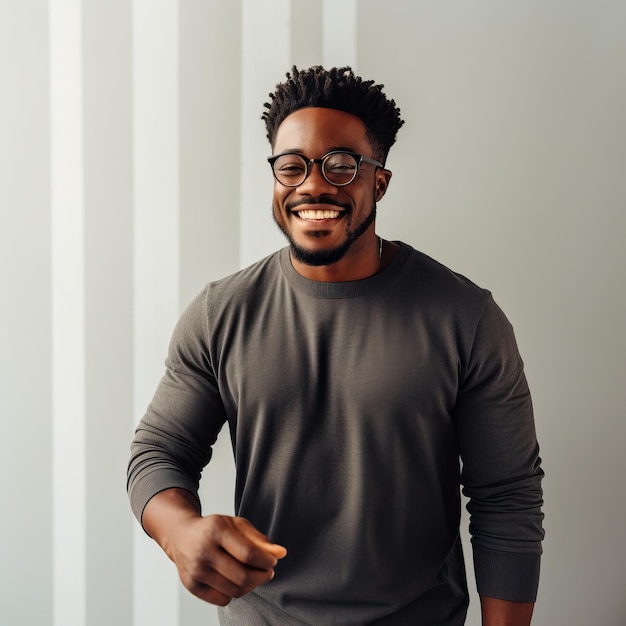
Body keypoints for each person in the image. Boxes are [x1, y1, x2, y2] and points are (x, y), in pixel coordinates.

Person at [127, 66, 544, 625]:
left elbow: (506, 498)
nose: (313, 185)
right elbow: (158, 452)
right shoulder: (219, 313)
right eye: (291, 167)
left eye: (341, 166)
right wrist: (181, 531)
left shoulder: (466, 318)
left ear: (380, 182)